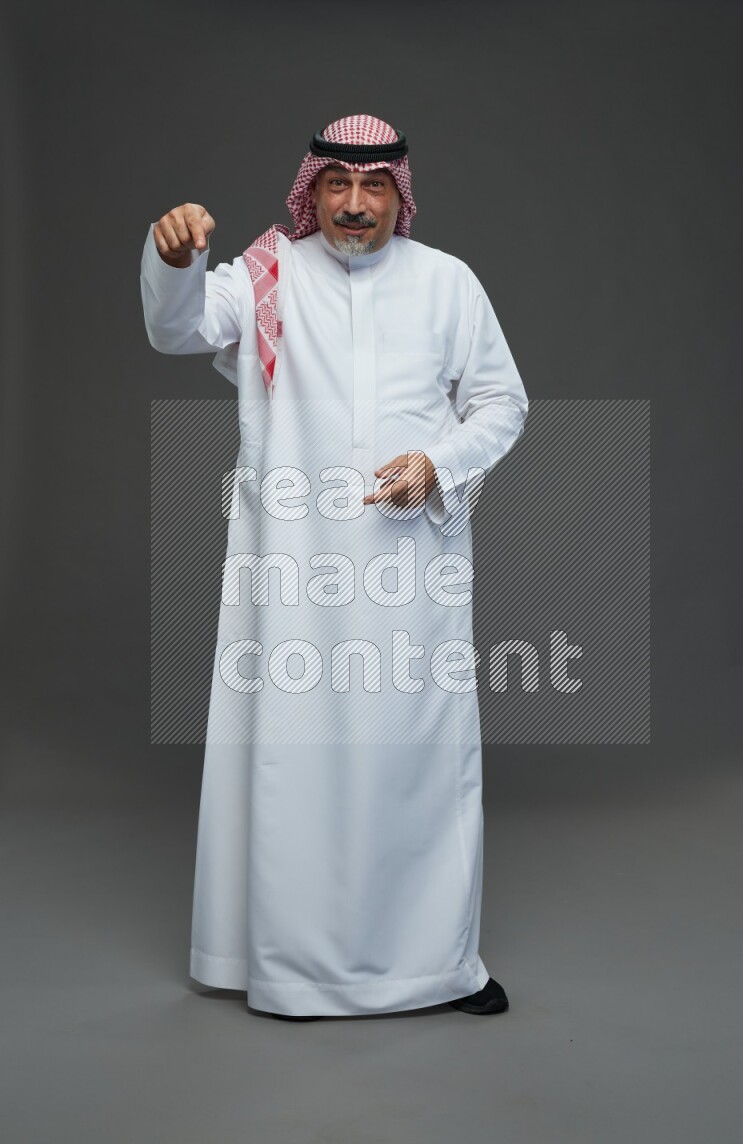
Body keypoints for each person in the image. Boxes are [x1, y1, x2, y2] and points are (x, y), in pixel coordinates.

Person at [140, 114, 528, 1019]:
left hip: (411, 570)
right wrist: (173, 258)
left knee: (418, 764)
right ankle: (286, 967)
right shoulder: (268, 274)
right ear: (311, 190)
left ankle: (435, 967)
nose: (355, 204)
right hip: (291, 573)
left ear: (400, 194)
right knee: (291, 763)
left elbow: (502, 402)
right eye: (337, 185)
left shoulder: (448, 283)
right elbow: (178, 328)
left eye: (374, 185)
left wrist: (440, 465)